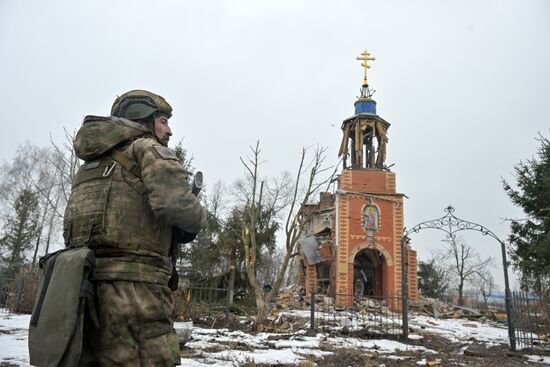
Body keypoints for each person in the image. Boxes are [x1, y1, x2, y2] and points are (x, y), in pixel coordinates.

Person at [63, 90, 206, 366]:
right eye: (162, 121)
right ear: (143, 119)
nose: (169, 130)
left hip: (82, 289)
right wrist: (198, 214)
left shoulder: (90, 165)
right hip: (136, 294)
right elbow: (180, 208)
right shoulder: (146, 149)